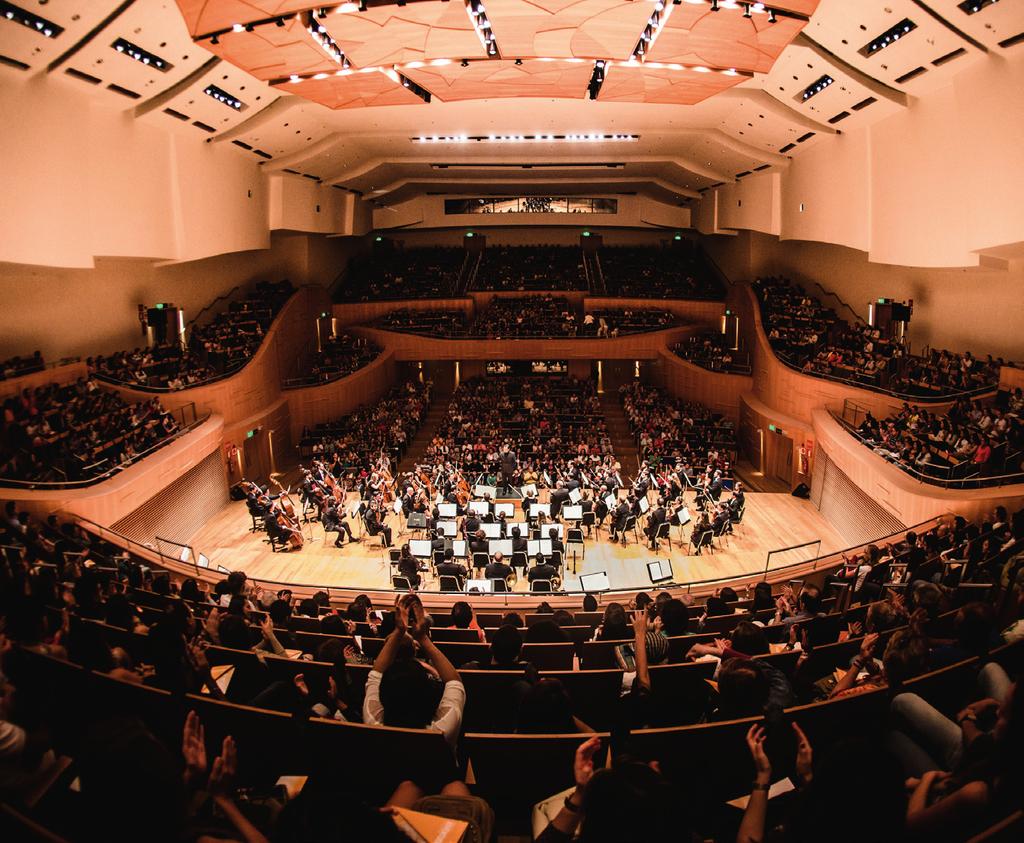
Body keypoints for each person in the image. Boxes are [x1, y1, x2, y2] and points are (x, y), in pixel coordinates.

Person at [363, 595, 465, 748]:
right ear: (428, 694)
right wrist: (422, 637)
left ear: (383, 695)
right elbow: (454, 681)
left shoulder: (373, 722)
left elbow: (375, 674)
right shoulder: (443, 730)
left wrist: (399, 631)